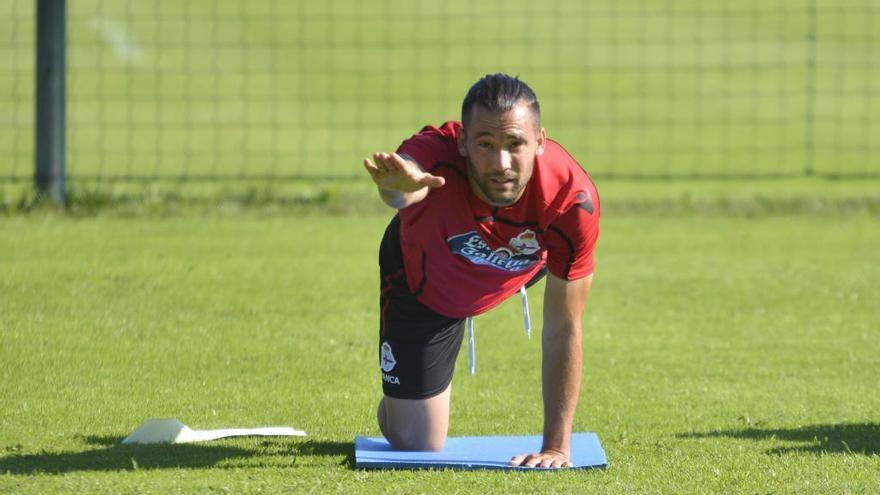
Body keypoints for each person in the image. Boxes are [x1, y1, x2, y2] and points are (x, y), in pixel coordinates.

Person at [362, 73, 600, 469]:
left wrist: (557, 447)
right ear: (462, 143)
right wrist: (394, 188)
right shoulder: (435, 155)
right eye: (486, 145)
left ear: (540, 141)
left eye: (515, 144)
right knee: (415, 441)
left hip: (506, 268)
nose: (501, 163)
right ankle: (401, 395)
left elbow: (564, 326)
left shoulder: (571, 201)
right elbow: (405, 184)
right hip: (424, 279)